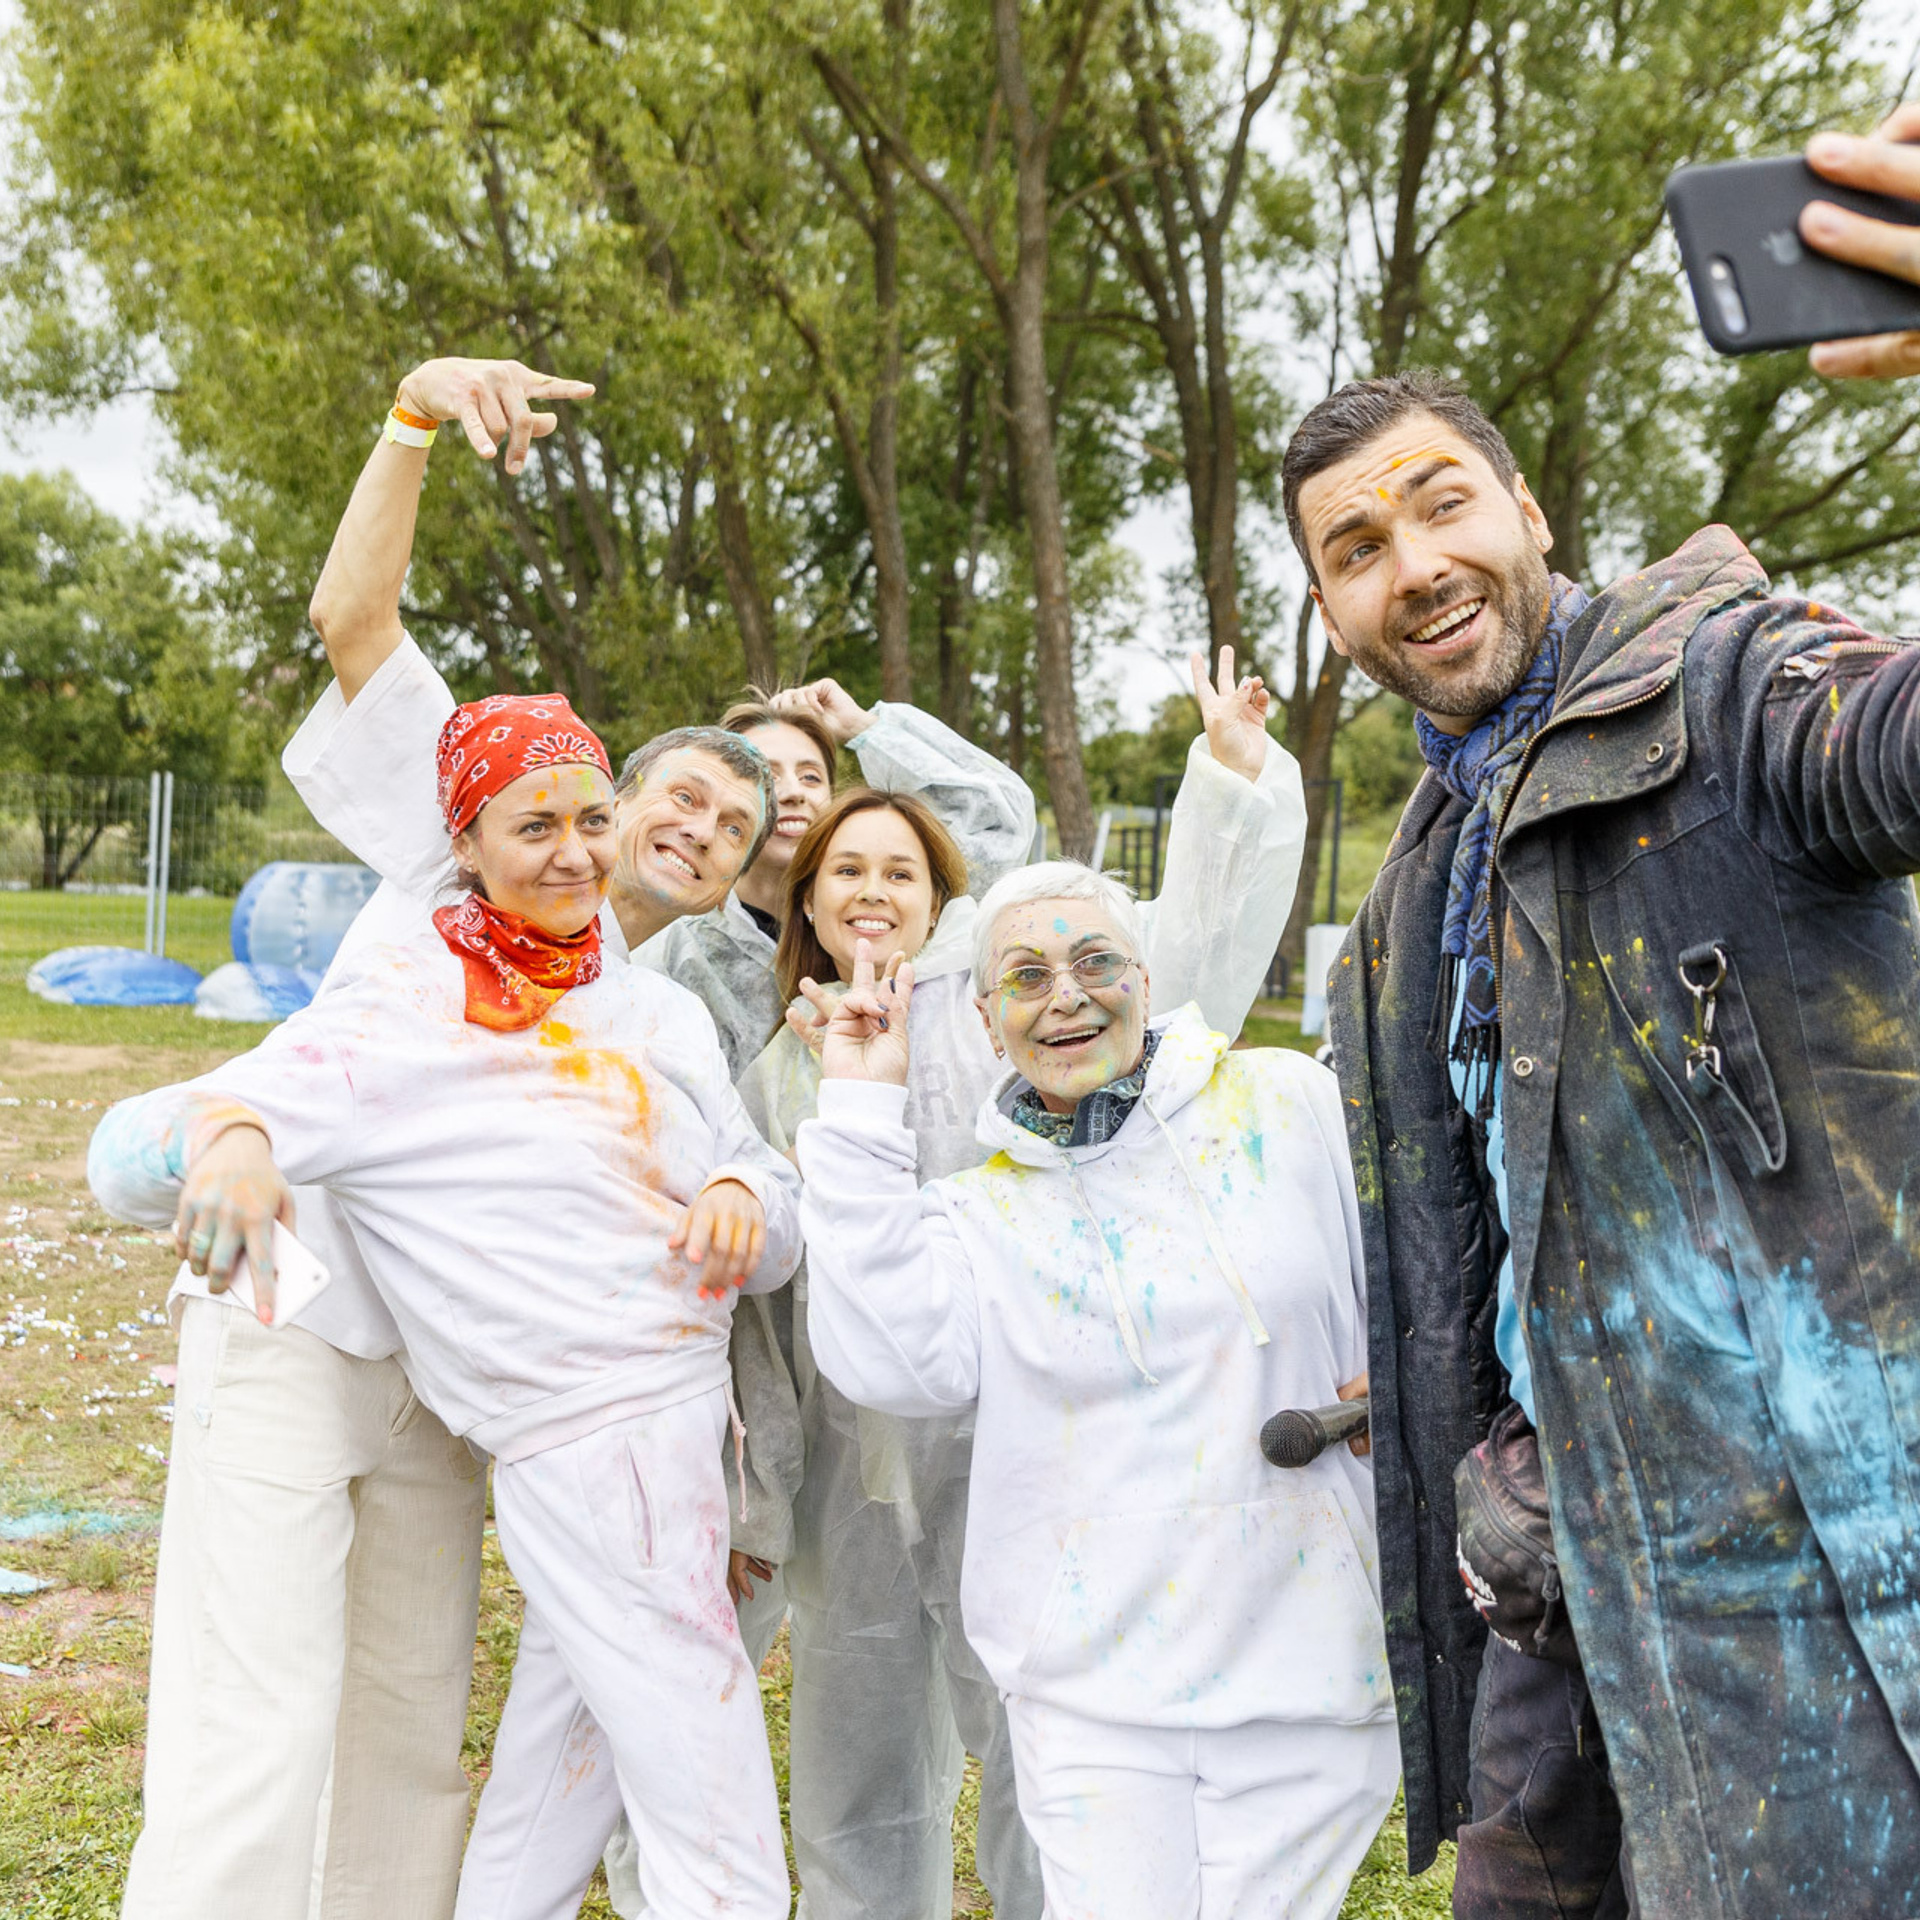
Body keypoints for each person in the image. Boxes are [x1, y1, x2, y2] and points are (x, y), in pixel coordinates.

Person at [1288, 114, 1920, 1911]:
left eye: (1439, 503)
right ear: (1329, 606)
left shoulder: (1734, 687)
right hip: (1558, 1587)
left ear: (1528, 509)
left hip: (1812, 1586)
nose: (1409, 565)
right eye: (1353, 546)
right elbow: (1467, 1221)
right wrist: (1486, 1448)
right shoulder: (1408, 891)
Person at [90, 693, 803, 1920]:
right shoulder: (412, 1004)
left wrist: (747, 1187)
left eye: (588, 819)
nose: (575, 849)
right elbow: (128, 1145)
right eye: (538, 824)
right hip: (430, 1389)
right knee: (708, 1807)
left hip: (609, 1432)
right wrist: (232, 1144)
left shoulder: (659, 1010)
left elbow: (773, 1210)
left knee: (463, 1742)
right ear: (463, 840)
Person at [720, 648, 1303, 1920]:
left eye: (899, 872)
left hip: (1026, 1437)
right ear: (804, 905)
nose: (871, 893)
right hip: (853, 1459)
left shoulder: (1004, 1015)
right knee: (855, 1756)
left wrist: (1226, 784)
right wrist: (759, 1505)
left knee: (1050, 1746)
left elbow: (1182, 959)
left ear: (941, 903)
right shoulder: (774, 1074)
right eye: (844, 873)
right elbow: (762, 1324)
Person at [790, 865, 1401, 1920]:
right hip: (1092, 1689)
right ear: (987, 1023)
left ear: (1146, 979)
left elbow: (1421, 1254)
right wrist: (856, 1104)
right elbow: (890, 1362)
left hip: (1307, 1665)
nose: (1065, 995)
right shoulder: (972, 1218)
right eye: (1025, 977)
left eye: (1095, 962)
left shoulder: (1285, 1102)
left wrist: (1415, 1372)